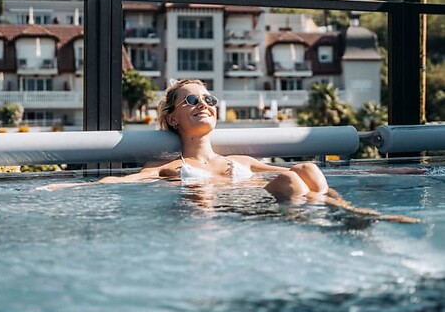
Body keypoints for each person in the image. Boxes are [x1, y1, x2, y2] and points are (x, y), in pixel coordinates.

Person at [39, 79, 423, 221]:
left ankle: (350, 216)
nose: (203, 104)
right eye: (191, 100)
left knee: (306, 168)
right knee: (291, 180)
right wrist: (65, 186)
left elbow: (320, 173)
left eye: (208, 99)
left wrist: (386, 171)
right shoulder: (174, 167)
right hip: (238, 215)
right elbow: (121, 181)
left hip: (284, 204)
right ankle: (340, 220)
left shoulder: (238, 161)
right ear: (172, 118)